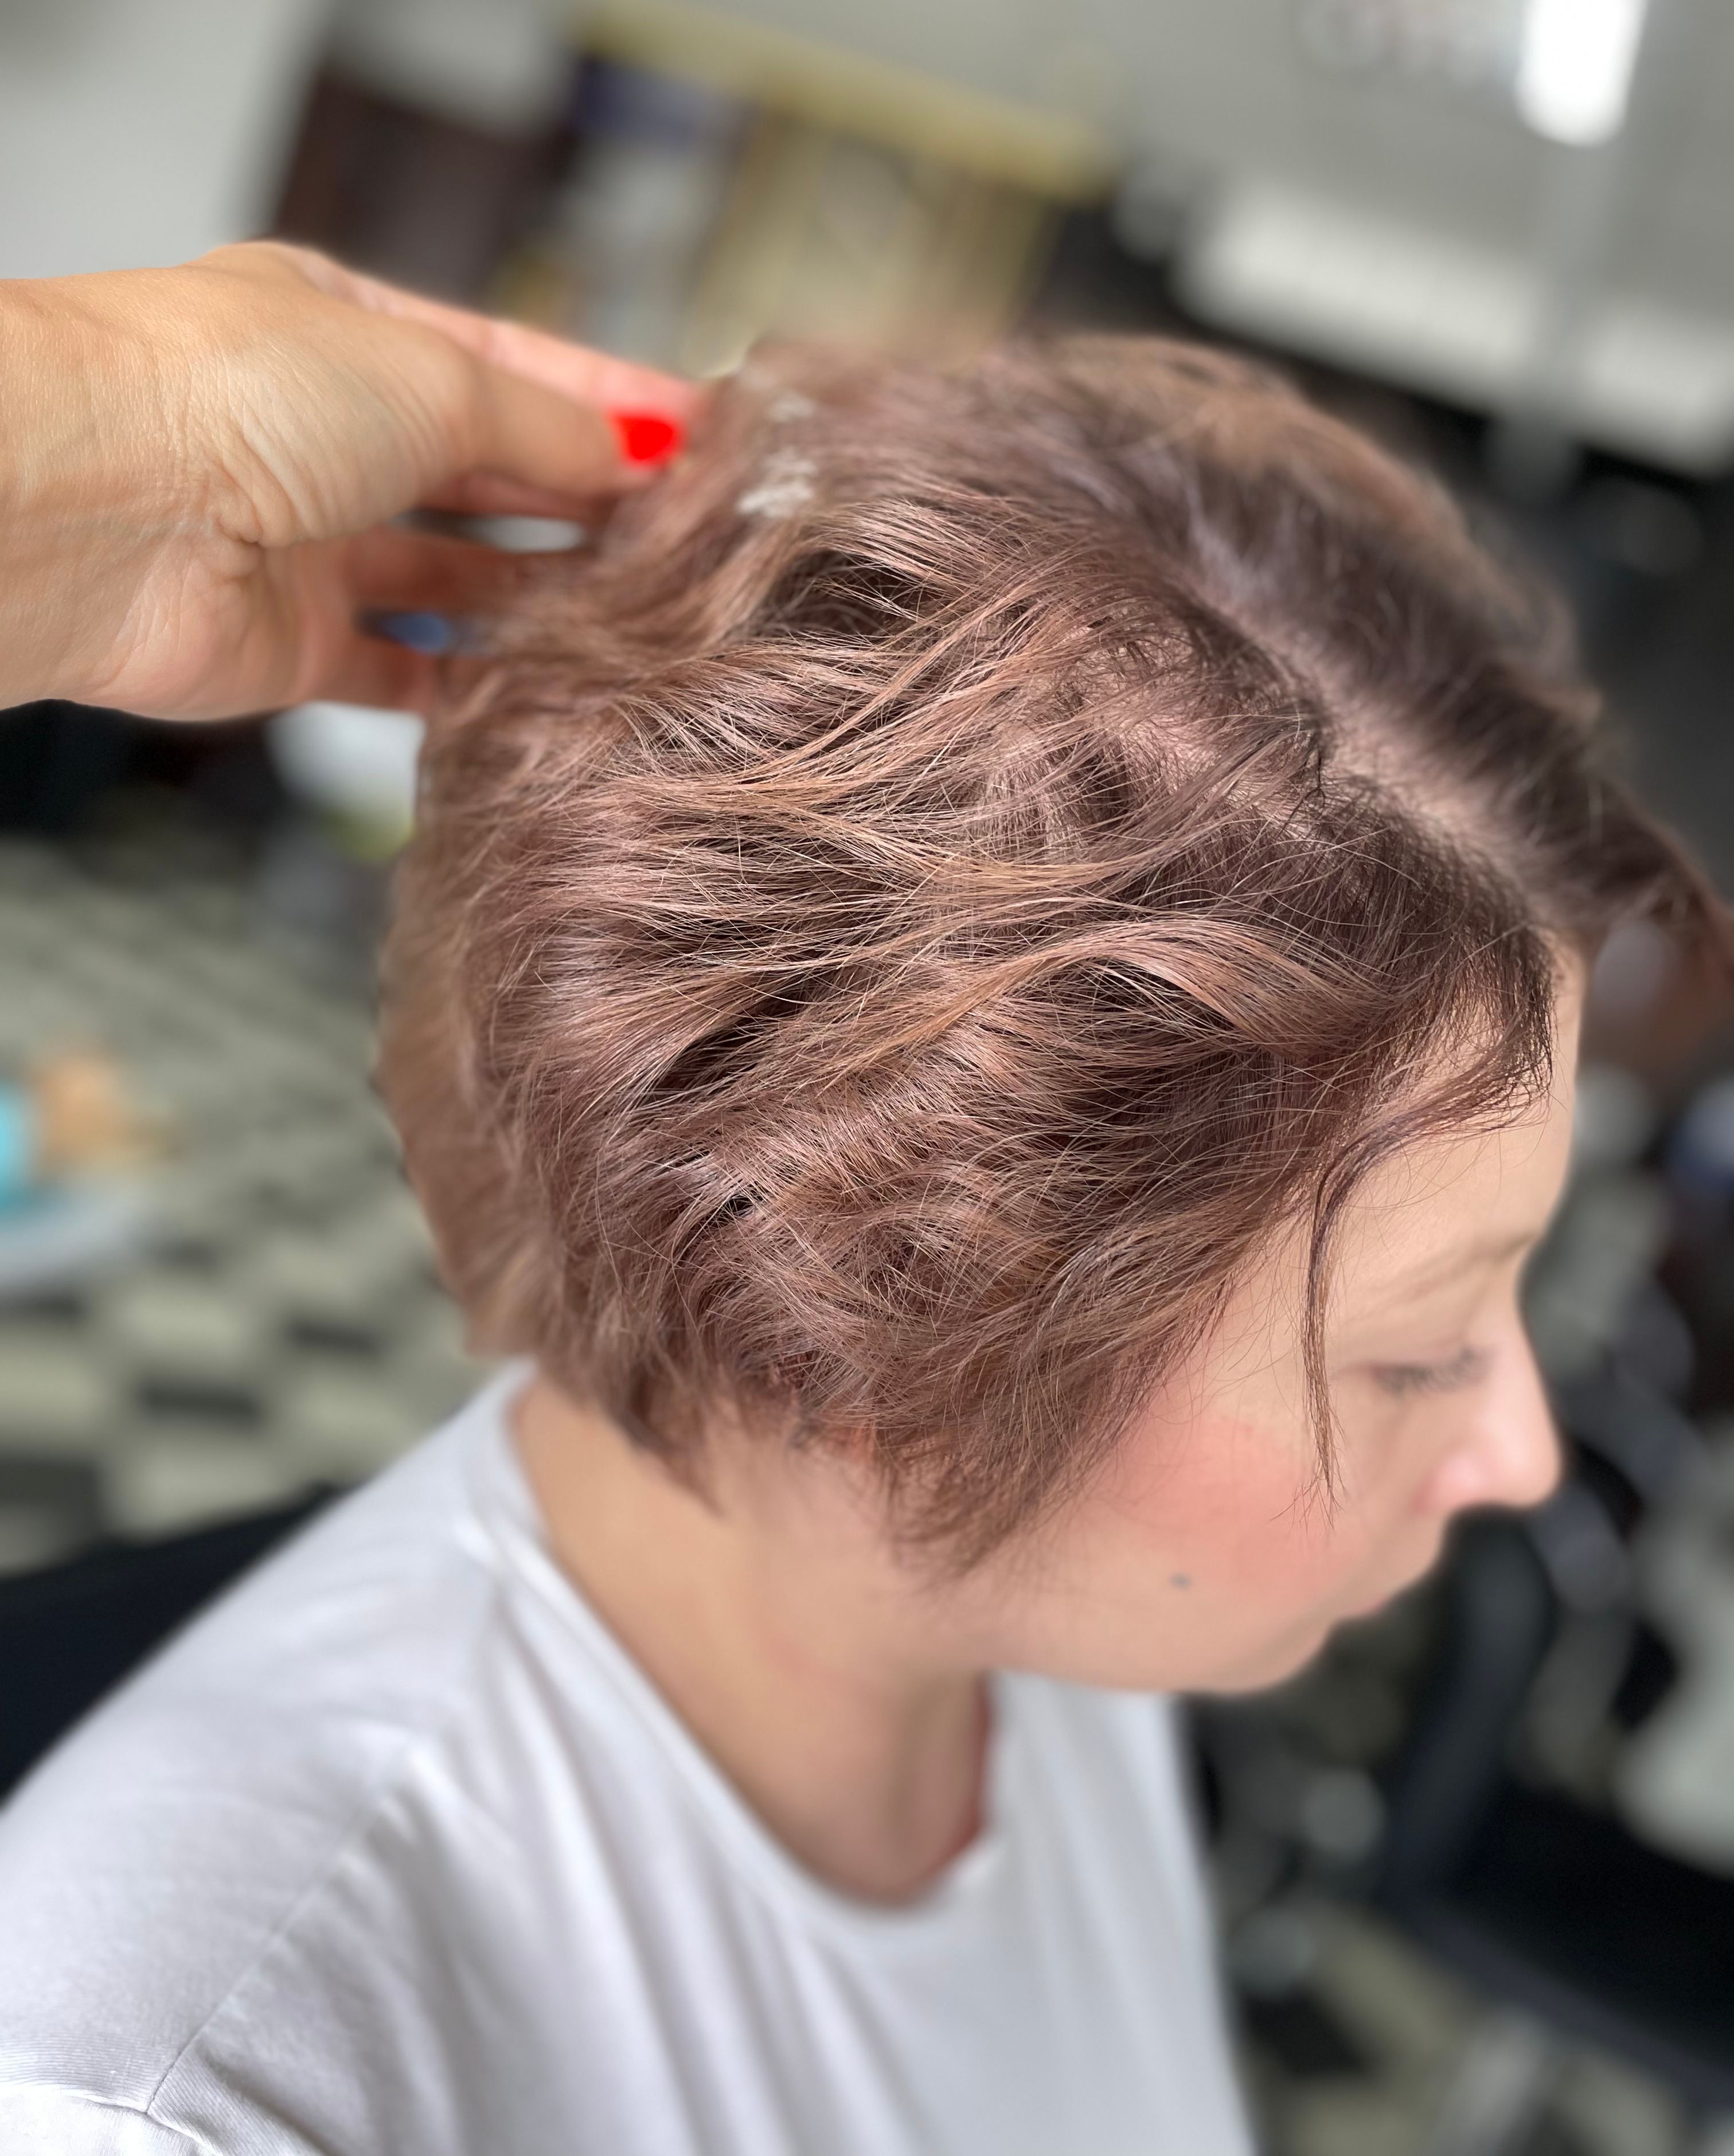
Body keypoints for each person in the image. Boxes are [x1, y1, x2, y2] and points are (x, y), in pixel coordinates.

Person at [0, 258, 1723, 2156]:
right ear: (869, 1333)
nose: (1516, 1451)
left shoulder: (1037, 1647)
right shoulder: (191, 2098)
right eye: (1413, 1352)